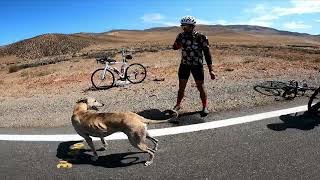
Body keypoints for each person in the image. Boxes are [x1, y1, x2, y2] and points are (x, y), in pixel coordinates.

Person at [172, 16, 216, 116]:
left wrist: (211, 70)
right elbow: (174, 47)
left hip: (197, 66)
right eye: (182, 26)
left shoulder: (201, 37)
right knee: (181, 87)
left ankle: (205, 106)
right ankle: (178, 105)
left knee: (200, 86)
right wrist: (177, 45)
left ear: (192, 26)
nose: (183, 28)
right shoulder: (181, 36)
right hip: (184, 65)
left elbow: (207, 54)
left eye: (185, 26)